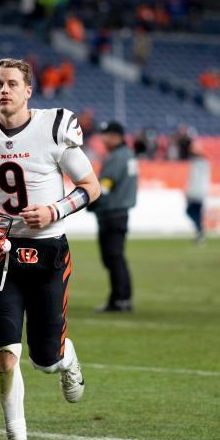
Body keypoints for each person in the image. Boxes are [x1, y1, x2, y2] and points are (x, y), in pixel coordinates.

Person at [0, 58, 100, 440]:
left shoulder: (53, 127)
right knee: (4, 356)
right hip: (1, 255)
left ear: (28, 90)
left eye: (12, 84)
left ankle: (66, 359)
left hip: (48, 251)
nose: (3, 90)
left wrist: (55, 209)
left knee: (44, 359)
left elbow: (91, 187)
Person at [89, 120, 137, 313]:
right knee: (116, 258)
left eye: (106, 134)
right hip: (120, 213)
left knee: (113, 258)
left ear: (116, 136)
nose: (103, 138)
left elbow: (105, 187)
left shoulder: (116, 158)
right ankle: (121, 297)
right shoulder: (128, 155)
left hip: (111, 213)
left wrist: (92, 202)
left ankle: (120, 299)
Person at [185, 143, 209, 243]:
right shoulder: (205, 164)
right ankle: (200, 232)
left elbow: (193, 180)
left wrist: (188, 192)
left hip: (195, 192)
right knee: (197, 213)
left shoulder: (195, 164)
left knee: (190, 211)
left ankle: (200, 231)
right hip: (201, 192)